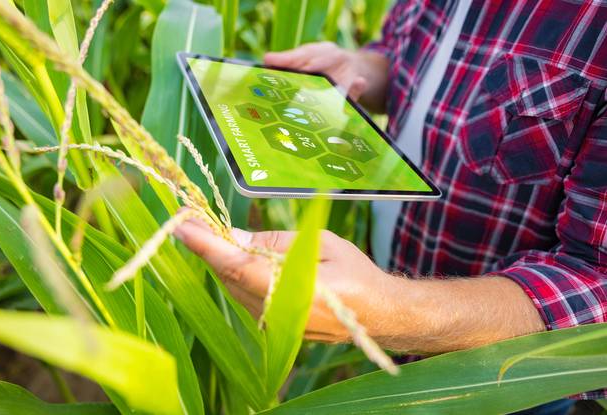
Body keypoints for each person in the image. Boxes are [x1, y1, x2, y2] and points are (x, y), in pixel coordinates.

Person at [174, 0, 606, 411]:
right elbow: (408, 56)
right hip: (385, 310)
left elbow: (597, 288)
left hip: (503, 386)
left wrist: (389, 309)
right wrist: (359, 68)